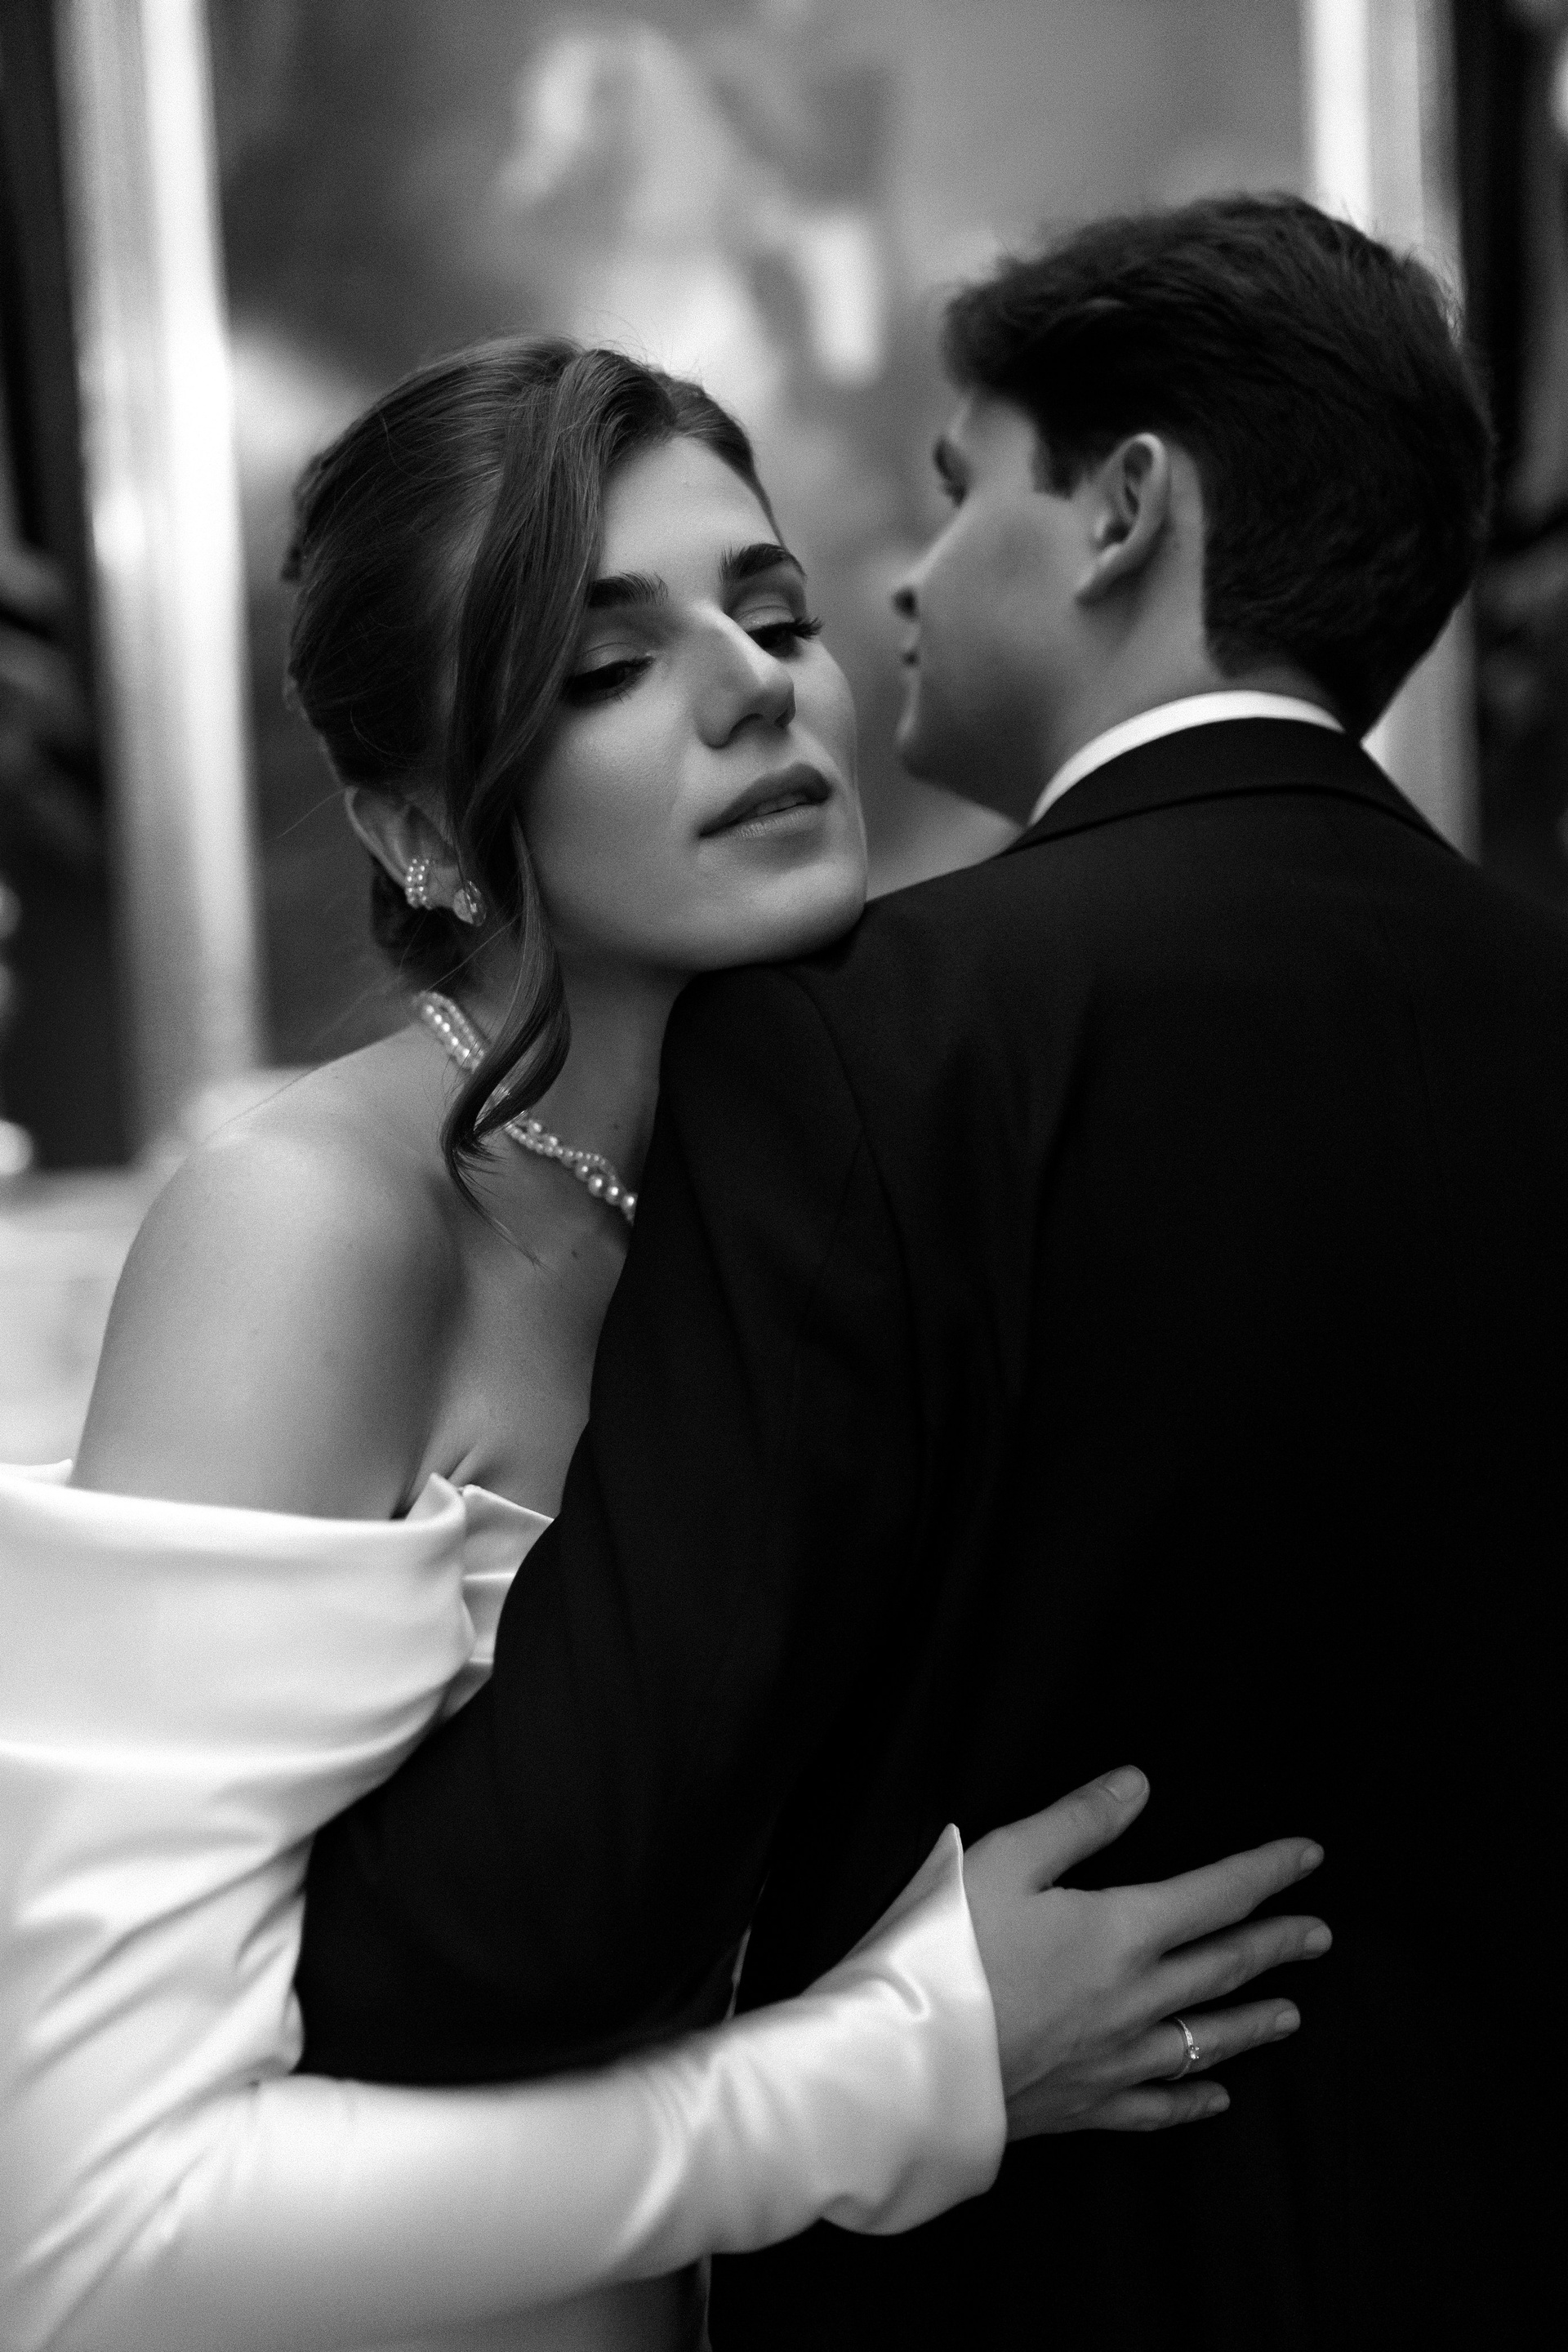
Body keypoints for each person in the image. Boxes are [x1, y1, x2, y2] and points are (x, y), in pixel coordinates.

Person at [292, 198, 1568, 2346]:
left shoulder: (872, 1036)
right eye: (615, 662)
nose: (889, 592)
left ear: (1123, 515)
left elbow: (538, 1914)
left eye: (962, 493)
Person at [0, 342, 1328, 2352]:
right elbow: (102, 2233)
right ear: (420, 824)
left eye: (775, 616)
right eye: (611, 666)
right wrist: (908, 2072)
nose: (754, 687)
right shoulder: (307, 1229)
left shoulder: (814, 1197)